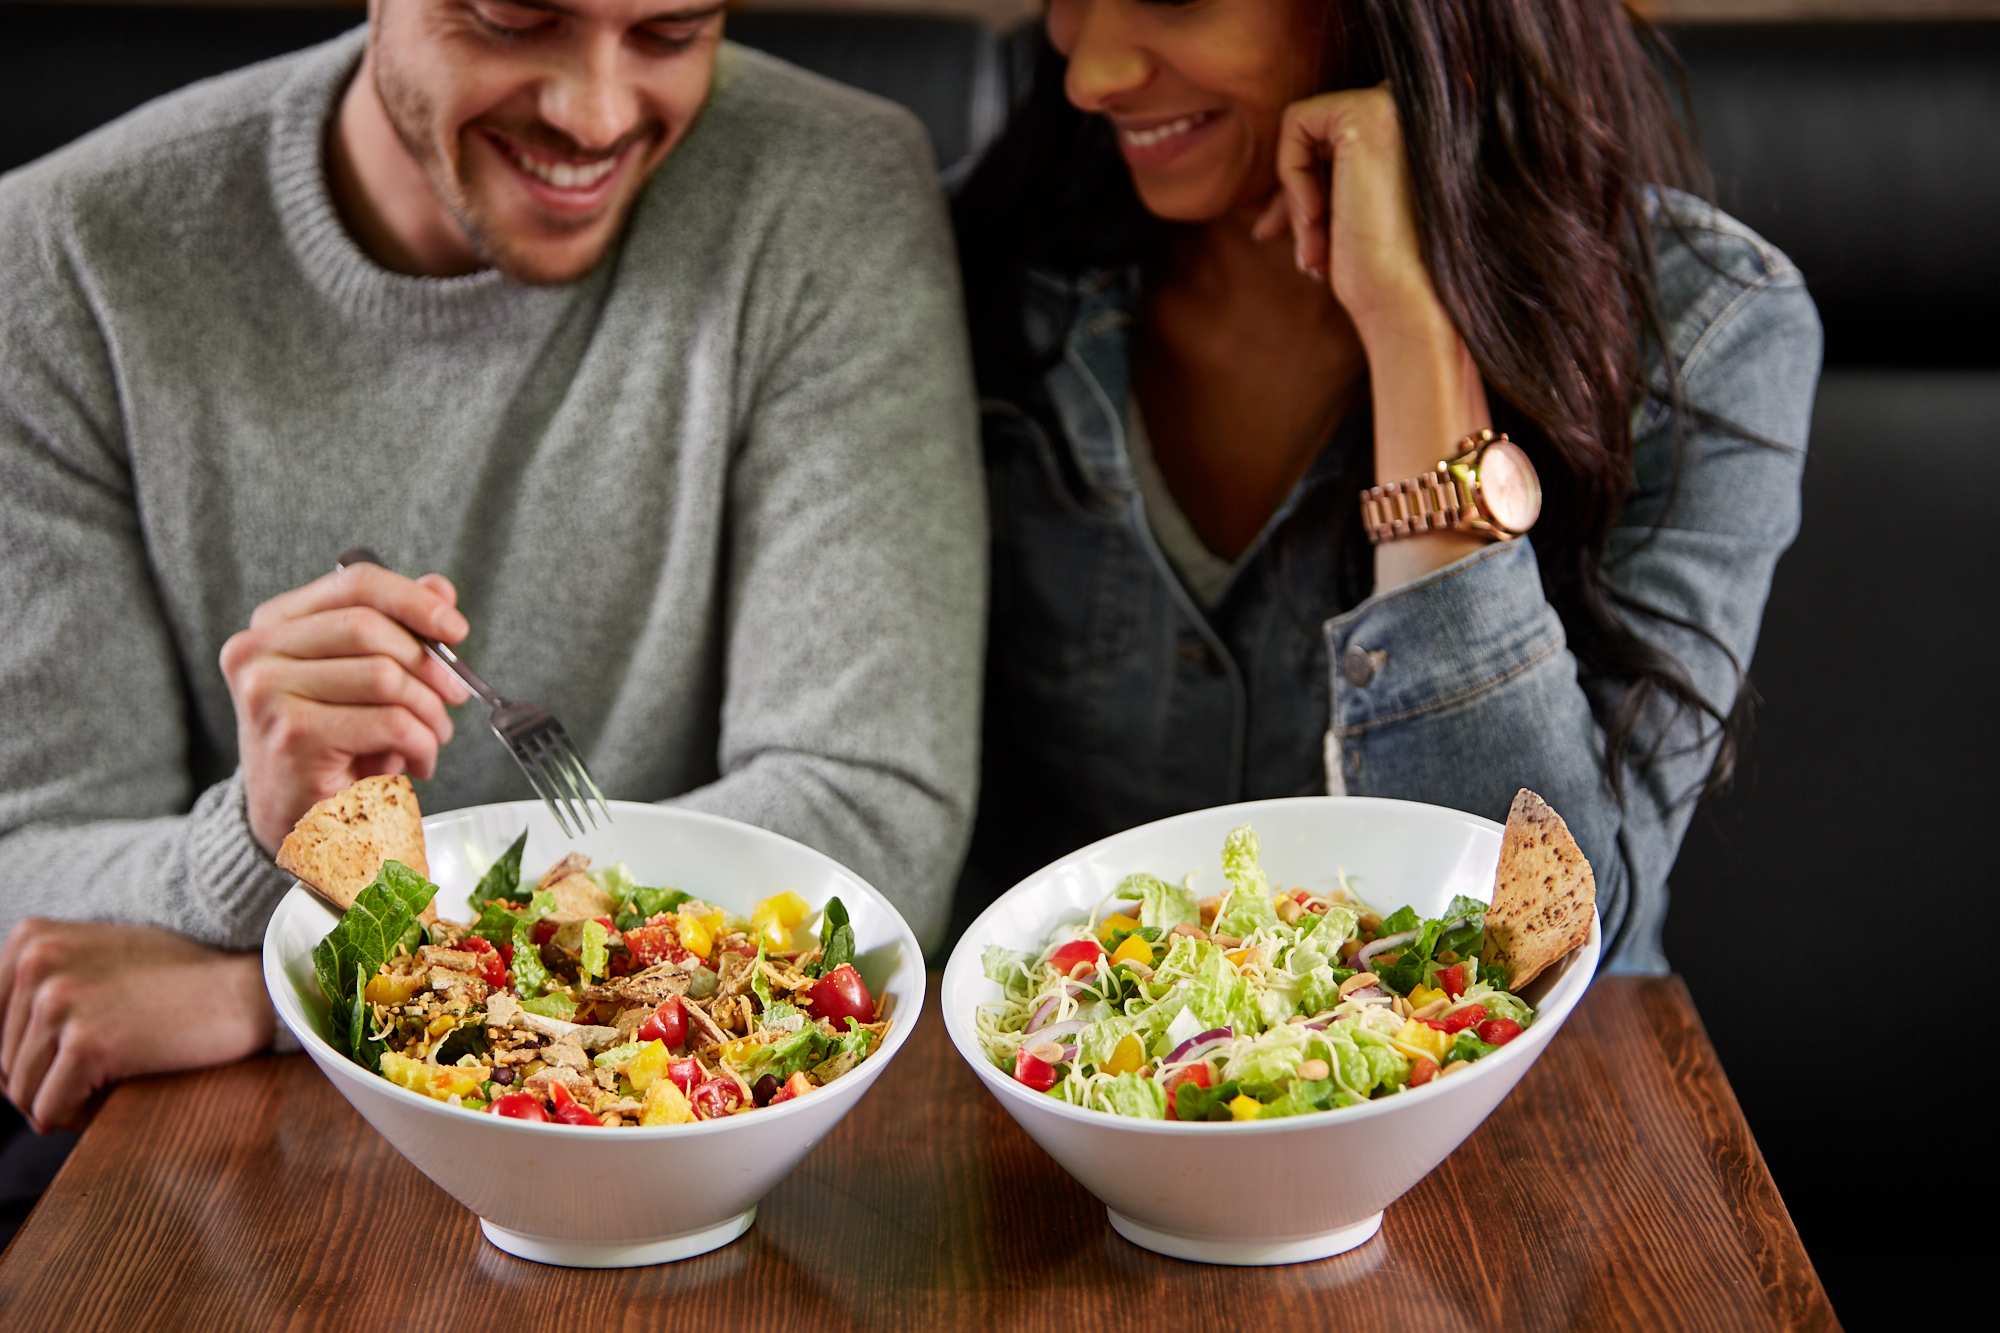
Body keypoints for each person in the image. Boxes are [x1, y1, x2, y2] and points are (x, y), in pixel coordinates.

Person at [0, 0, 984, 1132]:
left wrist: (296, 994)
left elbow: (870, 815)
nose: (596, 113)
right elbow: (25, 867)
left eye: (669, 34)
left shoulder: (827, 189)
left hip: (704, 1128)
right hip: (208, 1162)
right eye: (515, 22)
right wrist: (254, 837)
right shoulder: (60, 257)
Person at [949, 0, 1818, 969]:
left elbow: (1533, 941)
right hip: (1057, 1090)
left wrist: (1414, 338)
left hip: (1526, 1109)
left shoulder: (1707, 332)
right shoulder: (976, 271)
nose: (1087, 72)